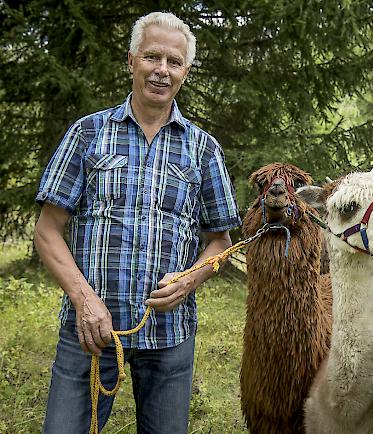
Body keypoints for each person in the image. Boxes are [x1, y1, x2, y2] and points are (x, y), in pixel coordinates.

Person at [34, 12, 241, 433]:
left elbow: (220, 240)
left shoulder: (203, 149)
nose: (162, 70)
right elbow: (47, 230)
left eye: (174, 62)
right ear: (131, 61)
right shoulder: (88, 134)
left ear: (184, 71)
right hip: (89, 334)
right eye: (152, 57)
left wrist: (190, 279)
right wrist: (84, 301)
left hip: (169, 336)